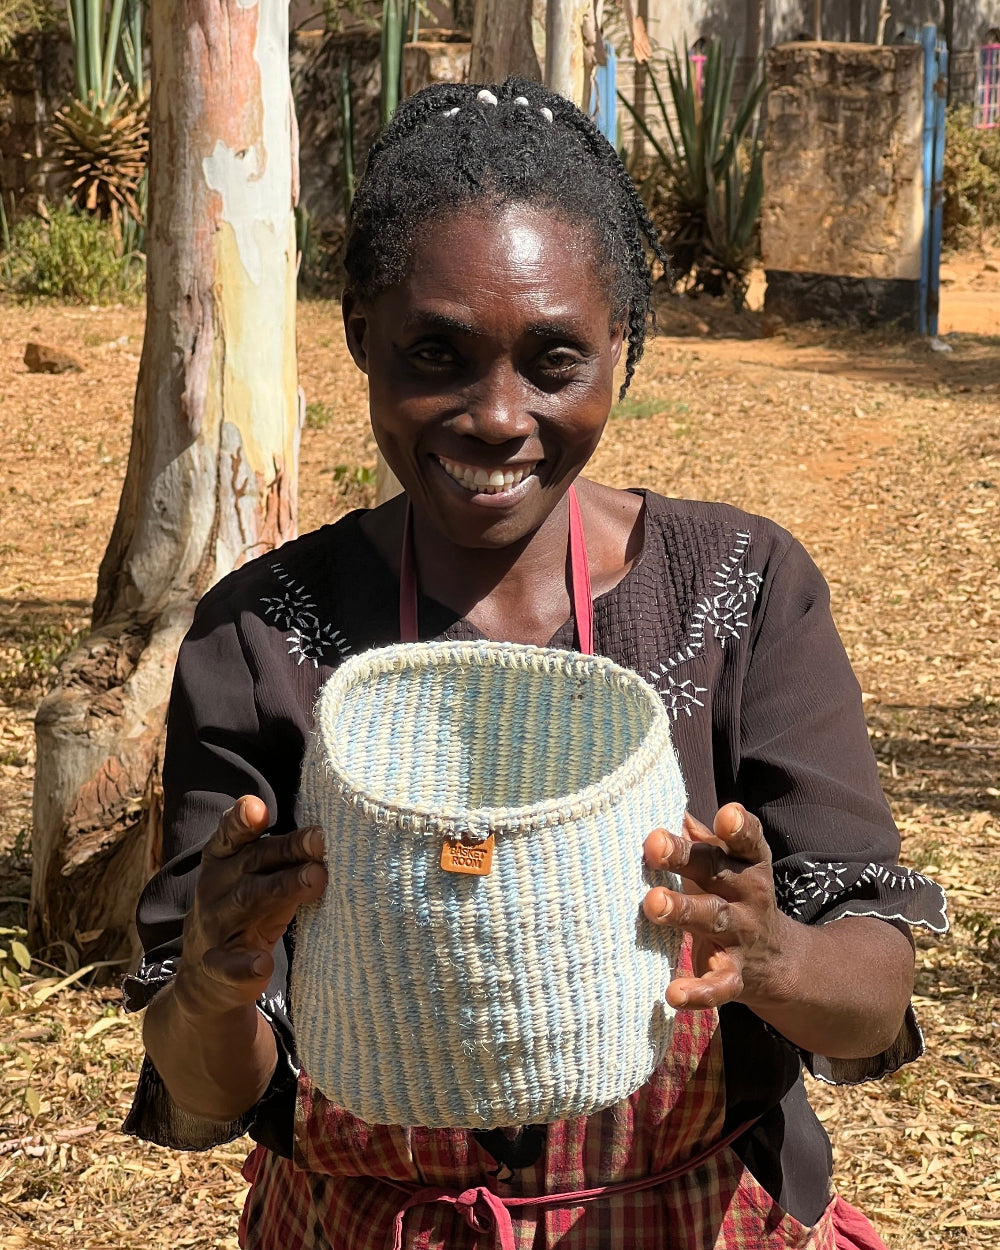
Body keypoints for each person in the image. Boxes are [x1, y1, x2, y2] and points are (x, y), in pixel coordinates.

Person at [123, 78, 948, 1250]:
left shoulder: (739, 588)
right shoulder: (260, 632)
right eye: (435, 354)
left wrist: (771, 950)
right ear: (358, 329)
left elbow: (870, 1003)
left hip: (687, 1218)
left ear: (625, 346)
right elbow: (207, 1091)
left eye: (553, 359)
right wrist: (212, 978)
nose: (497, 417)